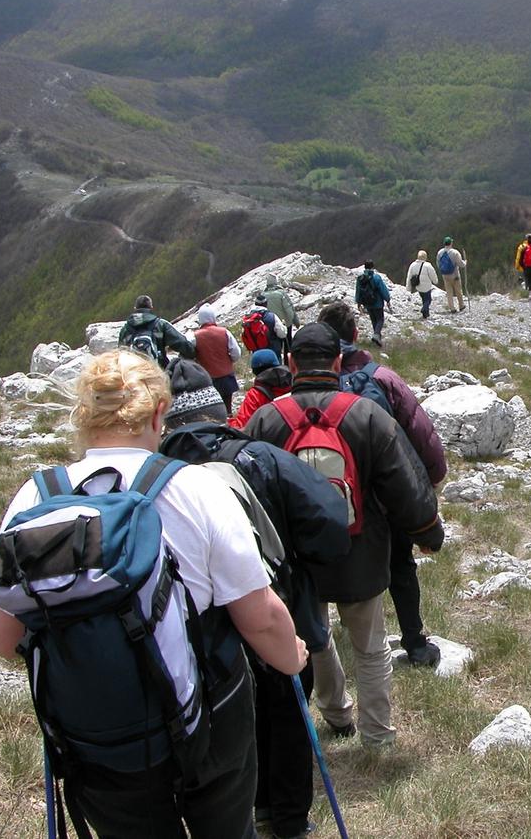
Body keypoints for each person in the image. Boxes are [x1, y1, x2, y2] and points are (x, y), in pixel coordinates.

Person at [0, 350, 307, 838]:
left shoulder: (37, 498)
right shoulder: (196, 488)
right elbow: (258, 615)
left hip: (97, 735)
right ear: (159, 414)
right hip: (209, 714)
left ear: (83, 417)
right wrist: (292, 658)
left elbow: (1, 635)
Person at [160, 360, 349, 839]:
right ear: (219, 412)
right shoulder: (258, 457)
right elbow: (329, 518)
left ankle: (238, 811)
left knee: (219, 717)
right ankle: (286, 818)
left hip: (195, 629)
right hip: (273, 604)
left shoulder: (154, 476)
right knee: (285, 708)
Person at [244, 322, 444, 748]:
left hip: (297, 557)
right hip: (361, 551)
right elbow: (403, 484)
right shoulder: (366, 415)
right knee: (370, 647)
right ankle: (378, 734)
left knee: (314, 636)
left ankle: (336, 715)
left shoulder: (265, 420)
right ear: (337, 362)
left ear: (291, 363)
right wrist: (428, 530)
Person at [319, 301, 448, 666]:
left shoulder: (310, 388)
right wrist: (433, 478)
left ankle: (332, 645)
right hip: (386, 493)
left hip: (332, 495)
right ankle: (415, 643)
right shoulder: (382, 378)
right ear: (355, 333)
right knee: (401, 566)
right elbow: (420, 432)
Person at [118, 294, 194, 368]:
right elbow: (182, 343)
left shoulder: (125, 329)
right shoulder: (160, 324)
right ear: (151, 307)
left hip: (134, 373)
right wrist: (192, 352)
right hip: (158, 371)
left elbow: (121, 353)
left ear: (135, 308)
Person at [229, 348, 293, 430]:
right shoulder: (295, 383)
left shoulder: (256, 394)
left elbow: (242, 425)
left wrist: (229, 423)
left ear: (254, 371)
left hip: (269, 435)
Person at [192, 304, 241, 410]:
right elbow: (236, 353)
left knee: (213, 410)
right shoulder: (225, 332)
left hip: (208, 379)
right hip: (226, 376)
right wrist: (228, 362)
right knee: (228, 407)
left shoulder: (195, 336)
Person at [262, 274, 300, 360]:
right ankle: (288, 362)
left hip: (271, 324)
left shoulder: (263, 295)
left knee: (275, 345)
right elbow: (289, 309)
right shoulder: (281, 293)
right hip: (285, 323)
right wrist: (295, 321)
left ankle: (277, 363)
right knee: (288, 344)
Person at [354, 261, 392, 346]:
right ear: (372, 267)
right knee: (380, 319)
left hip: (367, 303)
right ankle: (376, 335)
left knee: (374, 320)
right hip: (377, 303)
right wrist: (387, 299)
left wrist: (358, 302)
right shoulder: (376, 278)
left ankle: (377, 339)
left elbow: (358, 290)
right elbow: (383, 289)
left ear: (365, 267)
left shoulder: (360, 278)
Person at [435, 237, 467, 313]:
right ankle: (461, 305)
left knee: (449, 292)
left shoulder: (440, 252)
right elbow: (460, 264)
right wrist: (465, 262)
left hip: (445, 275)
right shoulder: (455, 252)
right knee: (458, 290)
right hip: (454, 275)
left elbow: (438, 263)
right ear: (451, 243)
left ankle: (452, 308)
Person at [406, 251, 440, 319]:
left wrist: (408, 288)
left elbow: (409, 277)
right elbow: (433, 274)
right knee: (428, 300)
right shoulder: (428, 265)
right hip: (427, 286)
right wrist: (435, 281)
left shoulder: (412, 265)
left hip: (418, 286)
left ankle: (426, 314)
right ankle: (424, 309)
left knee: (424, 299)